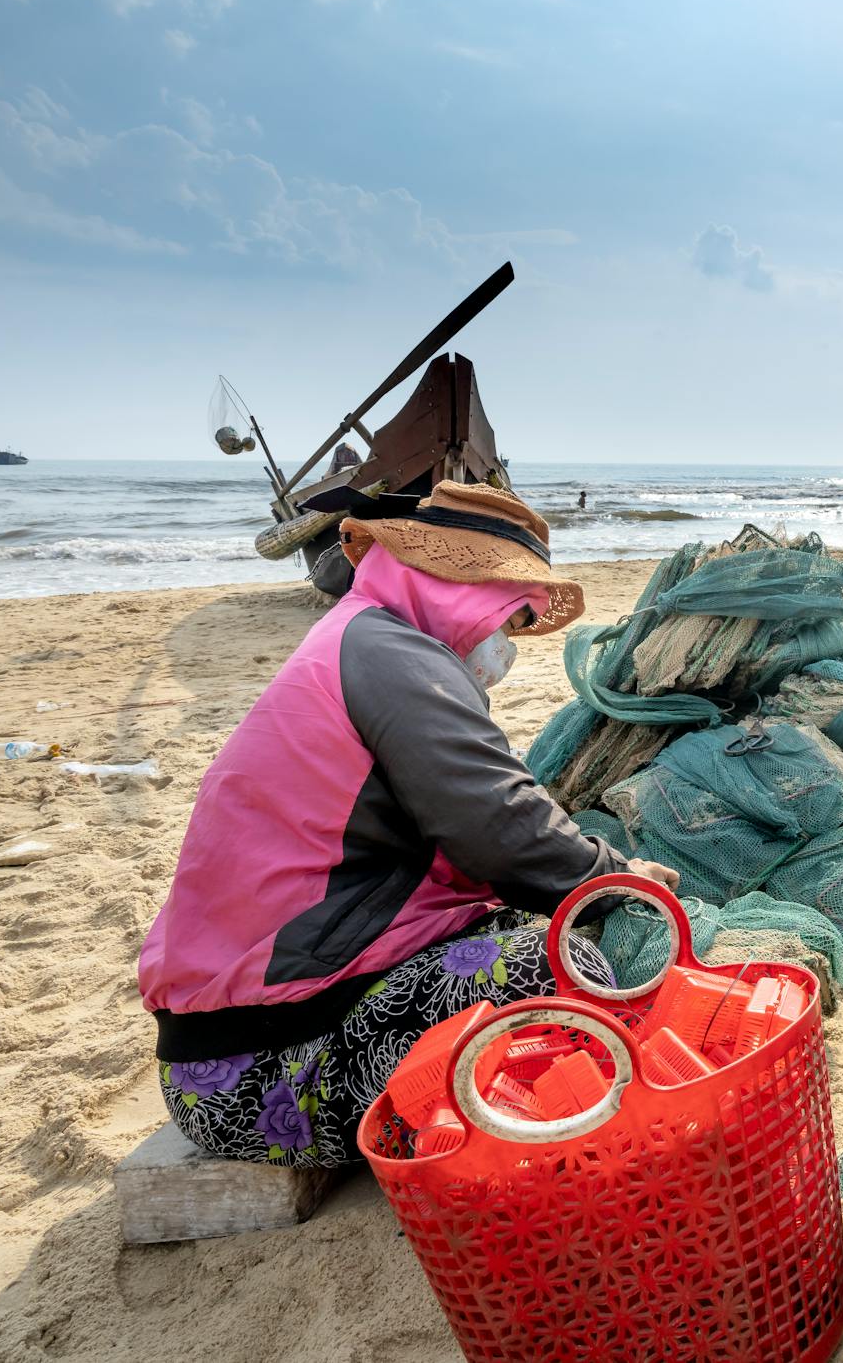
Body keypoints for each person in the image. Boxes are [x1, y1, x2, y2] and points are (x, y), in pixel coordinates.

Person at [136, 482, 677, 1166]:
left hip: (234, 1042)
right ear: (462, 587)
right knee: (554, 969)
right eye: (508, 619)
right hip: (256, 1072)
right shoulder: (392, 655)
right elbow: (499, 826)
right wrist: (616, 879)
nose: (506, 644)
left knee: (519, 936)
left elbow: (481, 817)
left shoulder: (366, 639)